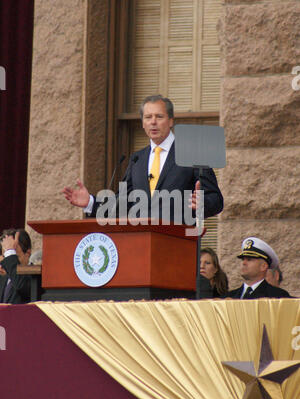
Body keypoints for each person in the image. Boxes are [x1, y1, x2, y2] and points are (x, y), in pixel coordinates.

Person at [62, 94, 223, 224]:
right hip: (142, 244)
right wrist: (90, 202)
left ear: (171, 121)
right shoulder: (137, 159)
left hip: (179, 243)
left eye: (159, 116)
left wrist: (203, 204)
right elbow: (123, 203)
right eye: (148, 117)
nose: (153, 122)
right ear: (143, 124)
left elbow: (216, 199)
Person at [226, 237, 291, 299]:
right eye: (243, 259)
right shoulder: (229, 297)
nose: (244, 263)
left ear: (263, 266)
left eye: (249, 259)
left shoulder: (278, 296)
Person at [0, 228, 32, 304]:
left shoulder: (35, 278)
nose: (9, 262)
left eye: (13, 256)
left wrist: (10, 252)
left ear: (27, 253)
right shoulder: (3, 279)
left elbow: (21, 286)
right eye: (6, 257)